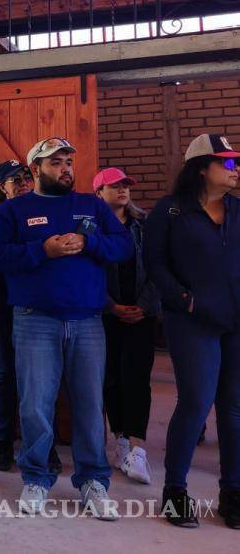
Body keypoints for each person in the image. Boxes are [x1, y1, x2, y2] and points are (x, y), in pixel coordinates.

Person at [0, 137, 133, 519]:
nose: (65, 168)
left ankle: (94, 481)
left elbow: (123, 247)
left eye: (68, 161)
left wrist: (89, 240)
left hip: (87, 321)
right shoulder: (13, 211)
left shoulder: (92, 206)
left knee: (89, 405)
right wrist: (42, 251)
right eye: (55, 163)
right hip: (35, 320)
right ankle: (35, 478)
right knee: (35, 404)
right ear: (36, 170)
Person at [145, 133, 240, 530]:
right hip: (192, 321)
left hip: (236, 323)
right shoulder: (170, 211)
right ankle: (175, 492)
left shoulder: (237, 210)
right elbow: (154, 264)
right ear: (203, 168)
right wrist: (186, 300)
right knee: (196, 403)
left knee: (234, 410)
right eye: (229, 163)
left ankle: (233, 493)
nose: (236, 170)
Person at [0, 159, 62, 475]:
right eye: (14, 180)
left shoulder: (44, 207)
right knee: (8, 371)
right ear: (2, 187)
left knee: (41, 373)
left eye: (26, 177)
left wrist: (33, 252)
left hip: (37, 297)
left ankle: (44, 446)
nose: (23, 183)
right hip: (2, 298)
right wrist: (38, 251)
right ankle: (3, 445)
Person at [93, 167, 159, 486]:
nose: (122, 190)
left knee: (136, 379)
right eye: (113, 186)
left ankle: (138, 449)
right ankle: (120, 441)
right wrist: (111, 306)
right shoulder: (91, 230)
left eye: (125, 185)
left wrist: (144, 306)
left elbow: (160, 268)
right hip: (106, 315)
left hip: (142, 315)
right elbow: (87, 275)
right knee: (112, 380)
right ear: (98, 193)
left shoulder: (145, 226)